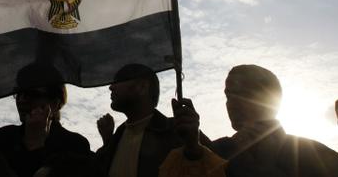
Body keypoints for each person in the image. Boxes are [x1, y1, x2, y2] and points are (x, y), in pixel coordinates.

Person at [172, 64, 338, 177]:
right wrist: (193, 149)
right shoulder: (215, 150)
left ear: (268, 97)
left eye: (241, 93)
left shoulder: (313, 154)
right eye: (228, 95)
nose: (231, 102)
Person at [95, 64, 212, 177]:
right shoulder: (116, 138)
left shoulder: (180, 131)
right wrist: (108, 141)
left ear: (142, 87)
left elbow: (219, 169)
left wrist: (193, 147)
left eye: (118, 80)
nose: (111, 87)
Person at [0, 63, 91, 177]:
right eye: (18, 93)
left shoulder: (75, 145)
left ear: (54, 104)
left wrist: (37, 143)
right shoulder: (4, 138)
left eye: (31, 94)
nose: (21, 100)